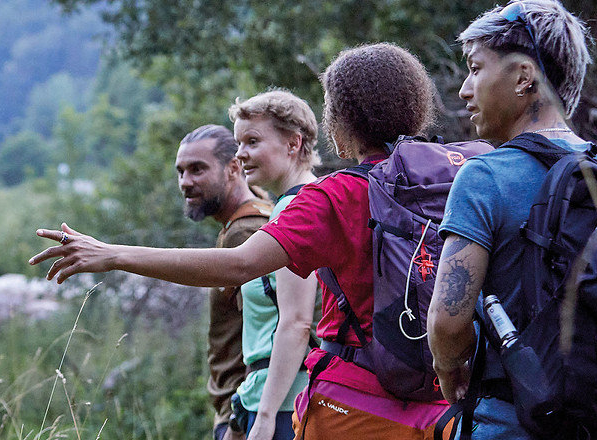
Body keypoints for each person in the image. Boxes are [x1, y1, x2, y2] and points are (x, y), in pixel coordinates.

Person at [29, 43, 449, 439]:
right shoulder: (461, 169)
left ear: (341, 119)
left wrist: (113, 254)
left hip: (357, 407)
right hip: (445, 400)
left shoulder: (333, 196)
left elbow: (240, 264)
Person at [427, 1, 593, 438]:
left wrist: (449, 368)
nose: (465, 89)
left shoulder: (484, 176)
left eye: (476, 68)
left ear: (523, 77)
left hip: (512, 418)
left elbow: (447, 320)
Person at [228, 90, 321, 440]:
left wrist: (265, 417)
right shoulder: (289, 206)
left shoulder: (300, 209)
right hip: (271, 395)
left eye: (252, 141)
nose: (241, 154)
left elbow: (297, 322)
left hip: (287, 405)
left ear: (293, 143)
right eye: (239, 143)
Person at [177, 124, 273, 440]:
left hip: (243, 416)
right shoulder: (248, 217)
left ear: (234, 168)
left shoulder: (244, 233)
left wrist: (239, 421)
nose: (185, 182)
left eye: (197, 170)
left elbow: (268, 335)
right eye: (181, 171)